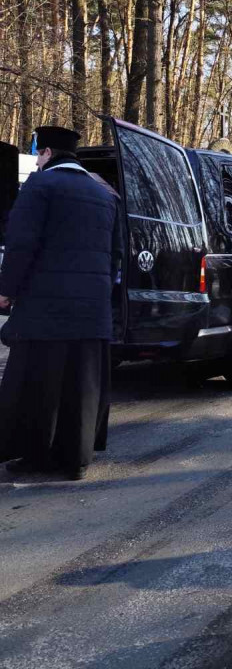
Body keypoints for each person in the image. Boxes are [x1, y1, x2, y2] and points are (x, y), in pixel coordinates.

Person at [0, 126, 122, 481]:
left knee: (41, 382)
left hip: (46, 308)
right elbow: (115, 256)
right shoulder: (105, 194)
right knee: (82, 383)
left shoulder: (40, 186)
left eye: (38, 154)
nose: (36, 161)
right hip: (92, 309)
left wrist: (7, 289)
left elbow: (22, 244)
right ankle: (75, 460)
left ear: (48, 154)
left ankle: (36, 456)